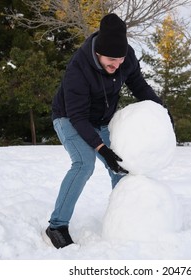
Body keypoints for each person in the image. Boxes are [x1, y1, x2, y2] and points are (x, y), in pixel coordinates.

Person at [45, 13, 165, 249]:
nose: (117, 65)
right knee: (84, 163)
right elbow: (78, 117)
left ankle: (124, 219)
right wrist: (101, 148)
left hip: (101, 120)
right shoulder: (78, 69)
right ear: (98, 53)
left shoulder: (126, 58)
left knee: (121, 165)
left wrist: (161, 109)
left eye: (120, 59)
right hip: (69, 117)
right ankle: (56, 226)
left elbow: (139, 86)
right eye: (111, 60)